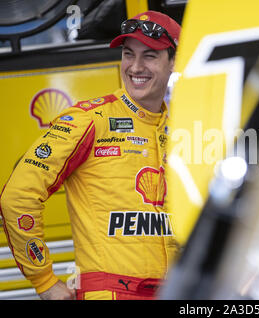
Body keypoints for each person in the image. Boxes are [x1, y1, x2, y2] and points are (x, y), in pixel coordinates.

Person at [0, 10, 181, 300]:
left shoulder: (182, 129)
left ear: (174, 62)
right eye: (128, 54)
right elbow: (17, 196)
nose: (135, 67)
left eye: (150, 56)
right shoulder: (89, 119)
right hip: (110, 291)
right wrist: (44, 281)